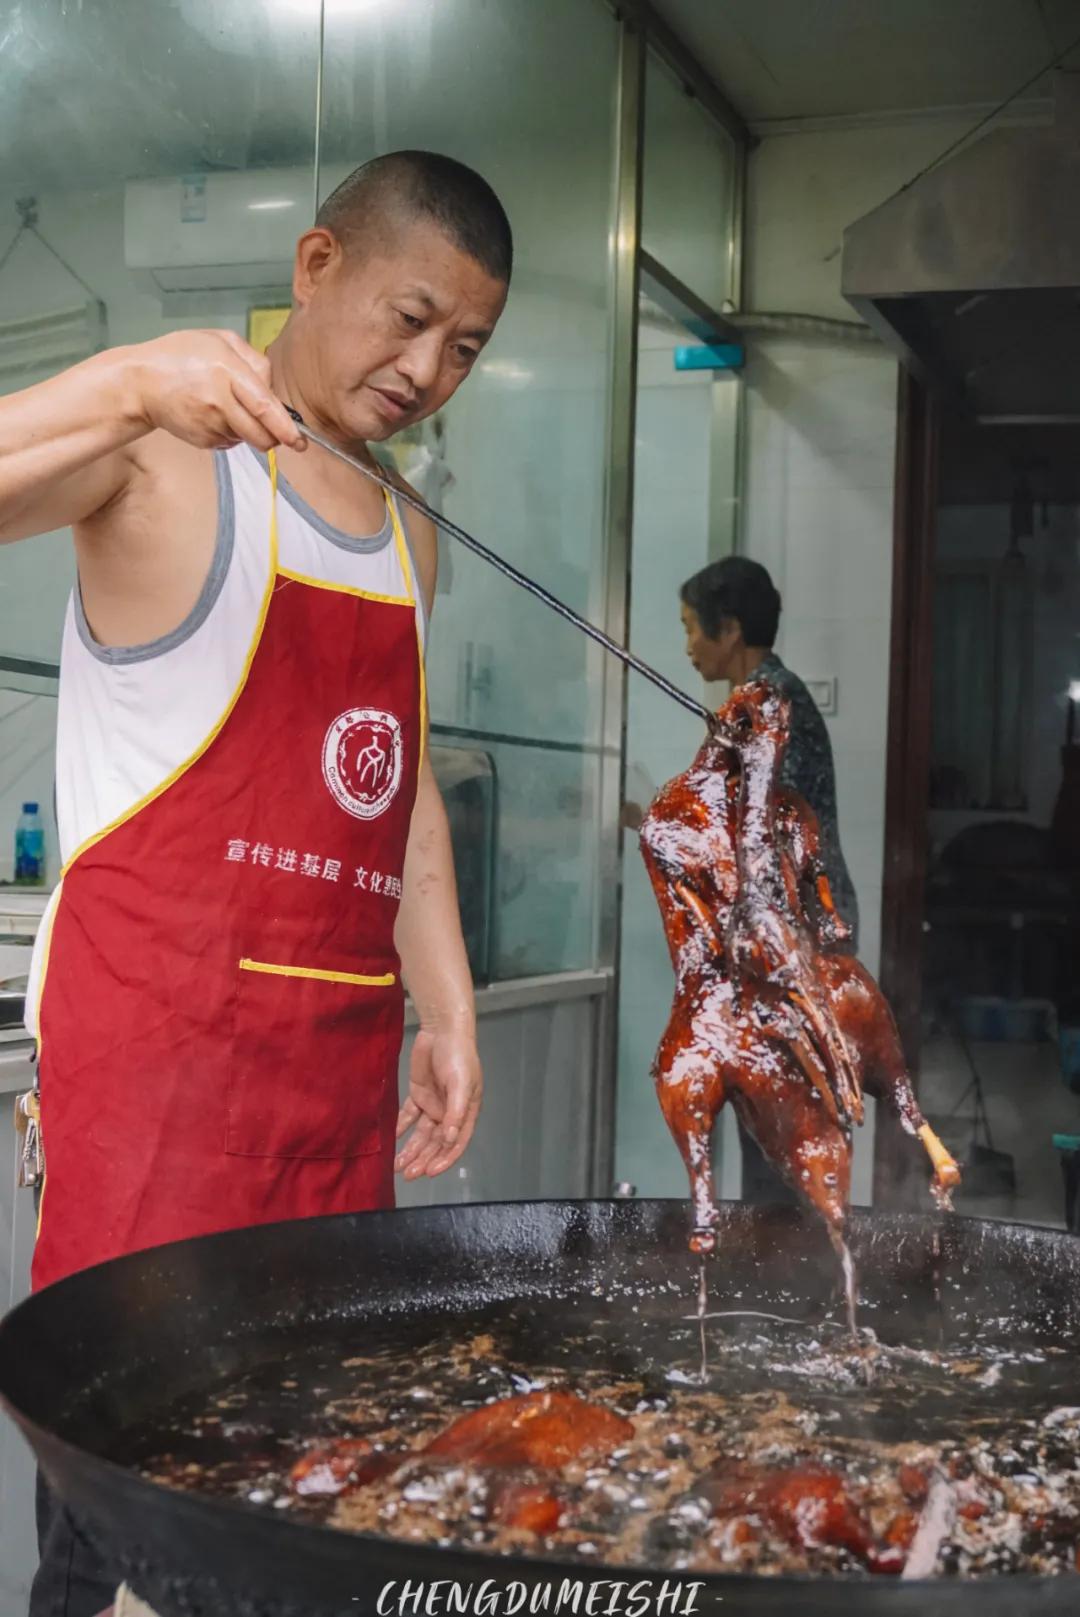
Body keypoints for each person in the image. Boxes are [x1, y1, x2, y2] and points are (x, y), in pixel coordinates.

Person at [0, 149, 510, 1617]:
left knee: (300, 1515)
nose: (426, 369)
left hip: (326, 1117)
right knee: (128, 1537)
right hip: (153, 1107)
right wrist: (125, 385)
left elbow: (396, 784)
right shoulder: (159, 456)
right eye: (408, 318)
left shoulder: (413, 536)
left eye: (465, 347)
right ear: (315, 266)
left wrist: (450, 1001)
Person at [678, 555, 858, 1207]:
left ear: (730, 630)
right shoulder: (765, 698)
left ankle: (791, 1278)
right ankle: (783, 1271)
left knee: (784, 1130)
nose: (688, 644)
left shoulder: (769, 701)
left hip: (795, 946)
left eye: (693, 627)